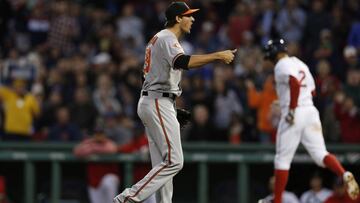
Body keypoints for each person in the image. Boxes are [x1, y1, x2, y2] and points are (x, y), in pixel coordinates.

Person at [113, 1, 236, 203]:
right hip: (156, 102)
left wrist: (170, 107)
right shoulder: (167, 37)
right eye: (188, 15)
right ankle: (127, 198)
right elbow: (182, 62)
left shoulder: (158, 39)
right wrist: (217, 56)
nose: (193, 19)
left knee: (163, 164)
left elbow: (147, 77)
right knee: (174, 162)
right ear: (178, 18)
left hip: (155, 101)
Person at [258, 39, 359, 203]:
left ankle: (277, 200)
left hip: (295, 113)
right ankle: (343, 173)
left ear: (273, 55)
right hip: (310, 112)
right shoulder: (300, 63)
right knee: (320, 155)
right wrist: (285, 101)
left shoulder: (281, 65)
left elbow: (294, 83)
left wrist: (290, 108)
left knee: (282, 160)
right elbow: (311, 92)